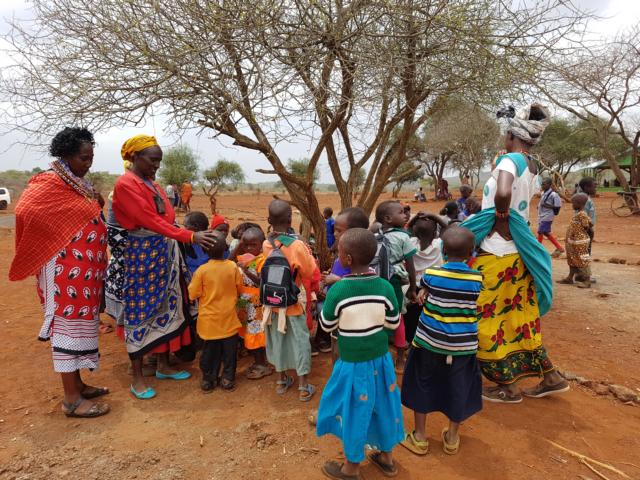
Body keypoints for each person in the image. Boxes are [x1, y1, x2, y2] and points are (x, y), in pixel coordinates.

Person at [461, 103, 569, 403]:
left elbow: (504, 192)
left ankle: (507, 386)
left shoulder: (511, 160)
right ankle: (551, 377)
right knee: (520, 317)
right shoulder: (531, 164)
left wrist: (500, 217)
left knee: (485, 316)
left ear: (511, 135)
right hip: (517, 253)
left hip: (497, 252)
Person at [9, 127, 110, 418]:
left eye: (91, 157)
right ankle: (71, 400)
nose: (88, 163)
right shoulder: (50, 182)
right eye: (83, 158)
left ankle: (77, 385)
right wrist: (54, 237)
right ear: (66, 155)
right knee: (66, 328)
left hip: (83, 274)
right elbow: (25, 211)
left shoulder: (77, 183)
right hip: (64, 273)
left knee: (81, 326)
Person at [112, 134, 217, 400]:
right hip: (142, 254)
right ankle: (137, 378)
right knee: (139, 309)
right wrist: (189, 236)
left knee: (167, 305)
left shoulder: (154, 184)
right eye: (152, 160)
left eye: (159, 160)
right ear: (135, 157)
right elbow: (150, 220)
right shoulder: (126, 184)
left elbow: (167, 217)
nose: (156, 165)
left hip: (163, 252)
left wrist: (178, 233)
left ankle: (163, 365)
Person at [317, 228, 404, 479]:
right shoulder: (385, 287)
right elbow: (393, 322)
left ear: (347, 259)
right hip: (381, 361)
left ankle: (351, 468)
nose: (338, 255)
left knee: (355, 410)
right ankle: (386, 458)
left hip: (352, 363)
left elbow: (327, 325)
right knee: (384, 405)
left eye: (339, 251)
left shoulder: (339, 290)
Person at [401, 227, 483, 456]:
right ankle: (452, 438)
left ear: (443, 250)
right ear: (471, 252)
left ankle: (419, 437)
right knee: (459, 387)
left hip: (429, 342)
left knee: (421, 383)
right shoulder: (477, 278)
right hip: (463, 347)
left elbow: (424, 291)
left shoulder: (432, 273)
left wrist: (423, 293)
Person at [262, 199, 318, 401]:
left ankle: (281, 380)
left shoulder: (266, 243)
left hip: (273, 302)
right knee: (300, 341)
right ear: (289, 219)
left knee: (278, 340)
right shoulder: (297, 245)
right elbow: (310, 271)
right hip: (293, 302)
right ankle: (303, 386)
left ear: (269, 220)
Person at [188, 230, 243, 392]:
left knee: (209, 353)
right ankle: (228, 379)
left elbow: (193, 294)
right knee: (229, 353)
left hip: (208, 322)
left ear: (204, 250)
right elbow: (239, 288)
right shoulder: (232, 267)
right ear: (225, 248)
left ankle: (208, 379)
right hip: (229, 319)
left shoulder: (202, 270)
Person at [317, 207, 370, 357]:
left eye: (339, 231)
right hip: (336, 302)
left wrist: (337, 280)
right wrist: (327, 278)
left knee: (344, 344)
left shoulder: (361, 257)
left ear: (355, 232)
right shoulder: (342, 251)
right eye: (335, 230)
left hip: (349, 311)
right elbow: (337, 270)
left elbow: (362, 286)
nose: (335, 234)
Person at [375, 200, 418, 373]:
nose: (406, 215)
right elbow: (411, 265)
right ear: (388, 218)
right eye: (400, 212)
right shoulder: (403, 237)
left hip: (378, 281)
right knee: (398, 318)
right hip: (394, 281)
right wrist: (413, 288)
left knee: (380, 318)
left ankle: (381, 357)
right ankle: (400, 359)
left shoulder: (375, 235)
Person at [231, 227, 273, 379]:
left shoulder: (262, 260)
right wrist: (239, 245)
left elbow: (262, 282)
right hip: (244, 303)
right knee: (247, 332)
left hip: (256, 305)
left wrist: (247, 271)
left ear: (261, 245)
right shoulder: (242, 258)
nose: (249, 248)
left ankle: (261, 364)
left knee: (256, 334)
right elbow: (228, 260)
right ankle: (258, 360)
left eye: (253, 245)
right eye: (246, 245)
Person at [403, 212, 447, 344]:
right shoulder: (439, 244)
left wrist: (416, 217)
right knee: (427, 316)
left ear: (415, 232)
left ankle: (409, 339)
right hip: (431, 288)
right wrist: (434, 217)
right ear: (434, 233)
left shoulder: (410, 243)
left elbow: (407, 228)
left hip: (412, 286)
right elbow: (447, 228)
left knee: (410, 316)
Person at [557, 194, 593, 288]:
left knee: (582, 259)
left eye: (573, 203)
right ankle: (570, 278)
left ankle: (587, 280)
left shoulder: (582, 214)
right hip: (574, 242)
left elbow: (588, 226)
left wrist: (581, 235)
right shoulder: (579, 213)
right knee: (572, 259)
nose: (572, 205)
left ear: (579, 204)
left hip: (580, 242)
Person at [537, 177, 564, 258]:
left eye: (544, 184)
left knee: (540, 231)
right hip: (542, 215)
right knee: (545, 232)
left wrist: (547, 206)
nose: (542, 185)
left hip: (548, 216)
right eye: (542, 184)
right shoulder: (543, 193)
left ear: (549, 185)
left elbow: (558, 206)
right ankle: (559, 248)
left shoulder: (554, 195)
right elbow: (542, 202)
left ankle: (538, 249)